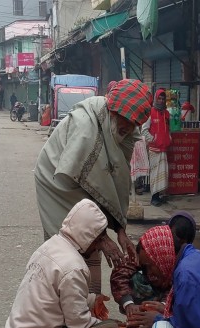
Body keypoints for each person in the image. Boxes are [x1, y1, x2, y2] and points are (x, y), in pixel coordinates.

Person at [34, 78, 154, 294]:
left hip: (81, 182)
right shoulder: (86, 127)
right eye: (125, 119)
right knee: (68, 245)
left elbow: (115, 180)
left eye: (135, 123)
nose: (129, 126)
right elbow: (77, 182)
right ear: (113, 110)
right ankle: (61, 301)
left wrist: (120, 229)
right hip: (58, 181)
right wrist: (100, 236)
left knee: (92, 246)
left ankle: (92, 302)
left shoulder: (125, 131)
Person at [1, 199, 120, 328]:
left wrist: (92, 301)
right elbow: (78, 324)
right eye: (99, 239)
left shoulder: (51, 246)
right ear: (87, 236)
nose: (99, 247)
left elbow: (57, 299)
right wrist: (102, 325)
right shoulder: (73, 266)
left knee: (99, 326)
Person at [110, 211, 196, 324]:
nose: (176, 246)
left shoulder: (185, 270)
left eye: (181, 243)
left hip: (167, 305)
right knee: (136, 278)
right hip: (147, 295)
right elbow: (120, 273)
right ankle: (138, 314)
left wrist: (164, 307)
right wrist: (128, 303)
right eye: (172, 237)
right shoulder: (150, 248)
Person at [143, 88, 172, 206]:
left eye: (163, 98)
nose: (161, 100)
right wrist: (152, 139)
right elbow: (144, 130)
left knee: (163, 173)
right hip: (154, 149)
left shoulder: (166, 114)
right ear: (155, 99)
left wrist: (169, 138)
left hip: (163, 149)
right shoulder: (151, 112)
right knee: (155, 174)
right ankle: (154, 198)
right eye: (159, 98)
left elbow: (168, 129)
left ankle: (159, 196)